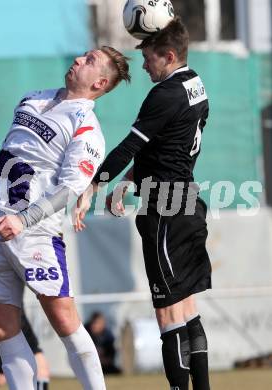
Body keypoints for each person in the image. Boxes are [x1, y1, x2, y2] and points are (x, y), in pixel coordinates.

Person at [0, 46, 131, 390]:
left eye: (89, 61)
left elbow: (68, 189)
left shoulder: (87, 127)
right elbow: (4, 155)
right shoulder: (32, 98)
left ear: (100, 83)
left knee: (64, 321)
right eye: (83, 56)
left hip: (36, 233)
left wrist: (24, 220)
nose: (79, 60)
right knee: (0, 327)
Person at [75, 19, 211, 390]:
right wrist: (132, 179)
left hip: (165, 210)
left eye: (149, 58)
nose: (145, 65)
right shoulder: (194, 84)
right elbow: (168, 146)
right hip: (188, 202)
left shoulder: (163, 94)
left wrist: (93, 187)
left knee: (168, 312)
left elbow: (129, 146)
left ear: (168, 56)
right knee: (187, 308)